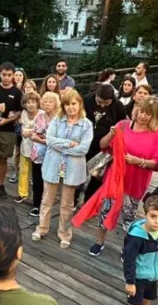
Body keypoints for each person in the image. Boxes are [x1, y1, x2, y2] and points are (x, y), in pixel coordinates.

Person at [88, 96, 158, 256]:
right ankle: (99, 241)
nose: (143, 116)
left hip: (135, 181)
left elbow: (157, 163)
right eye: (141, 111)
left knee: (128, 216)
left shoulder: (157, 135)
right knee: (105, 211)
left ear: (155, 116)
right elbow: (103, 146)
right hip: (114, 179)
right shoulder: (123, 125)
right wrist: (111, 135)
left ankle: (127, 246)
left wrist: (140, 161)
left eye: (148, 114)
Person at [33, 90, 93, 248]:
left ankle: (64, 233)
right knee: (46, 200)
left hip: (72, 168)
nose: (70, 107)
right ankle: (42, 228)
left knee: (67, 204)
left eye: (74, 103)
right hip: (53, 165)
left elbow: (83, 149)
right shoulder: (57, 120)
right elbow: (49, 140)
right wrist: (68, 144)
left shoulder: (86, 124)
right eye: (67, 104)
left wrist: (62, 149)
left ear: (80, 104)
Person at [80, 83, 127, 206]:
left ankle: (88, 203)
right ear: (96, 95)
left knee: (97, 177)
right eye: (99, 101)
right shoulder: (86, 100)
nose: (101, 105)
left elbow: (122, 125)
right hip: (84, 143)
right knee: (79, 174)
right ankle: (74, 199)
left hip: (103, 147)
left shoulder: (118, 106)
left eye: (106, 103)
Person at [0, 62, 23, 199]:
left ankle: (0, 185)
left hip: (8, 130)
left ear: (13, 75)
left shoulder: (17, 92)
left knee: (3, 160)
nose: (6, 77)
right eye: (4, 75)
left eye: (9, 75)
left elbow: (19, 111)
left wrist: (7, 120)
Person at [15, 91, 42, 205]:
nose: (31, 104)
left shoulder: (42, 114)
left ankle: (38, 197)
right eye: (28, 102)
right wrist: (25, 131)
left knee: (37, 175)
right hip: (25, 146)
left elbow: (42, 130)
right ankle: (22, 193)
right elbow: (21, 127)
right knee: (23, 171)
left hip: (38, 149)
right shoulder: (23, 113)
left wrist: (29, 131)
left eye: (33, 102)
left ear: (37, 103)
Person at [8, 68, 27, 182]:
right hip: (14, 123)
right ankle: (16, 171)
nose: (18, 77)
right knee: (18, 150)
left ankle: (27, 174)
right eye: (16, 75)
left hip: (26, 123)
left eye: (20, 75)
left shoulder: (27, 88)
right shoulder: (10, 89)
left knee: (28, 150)